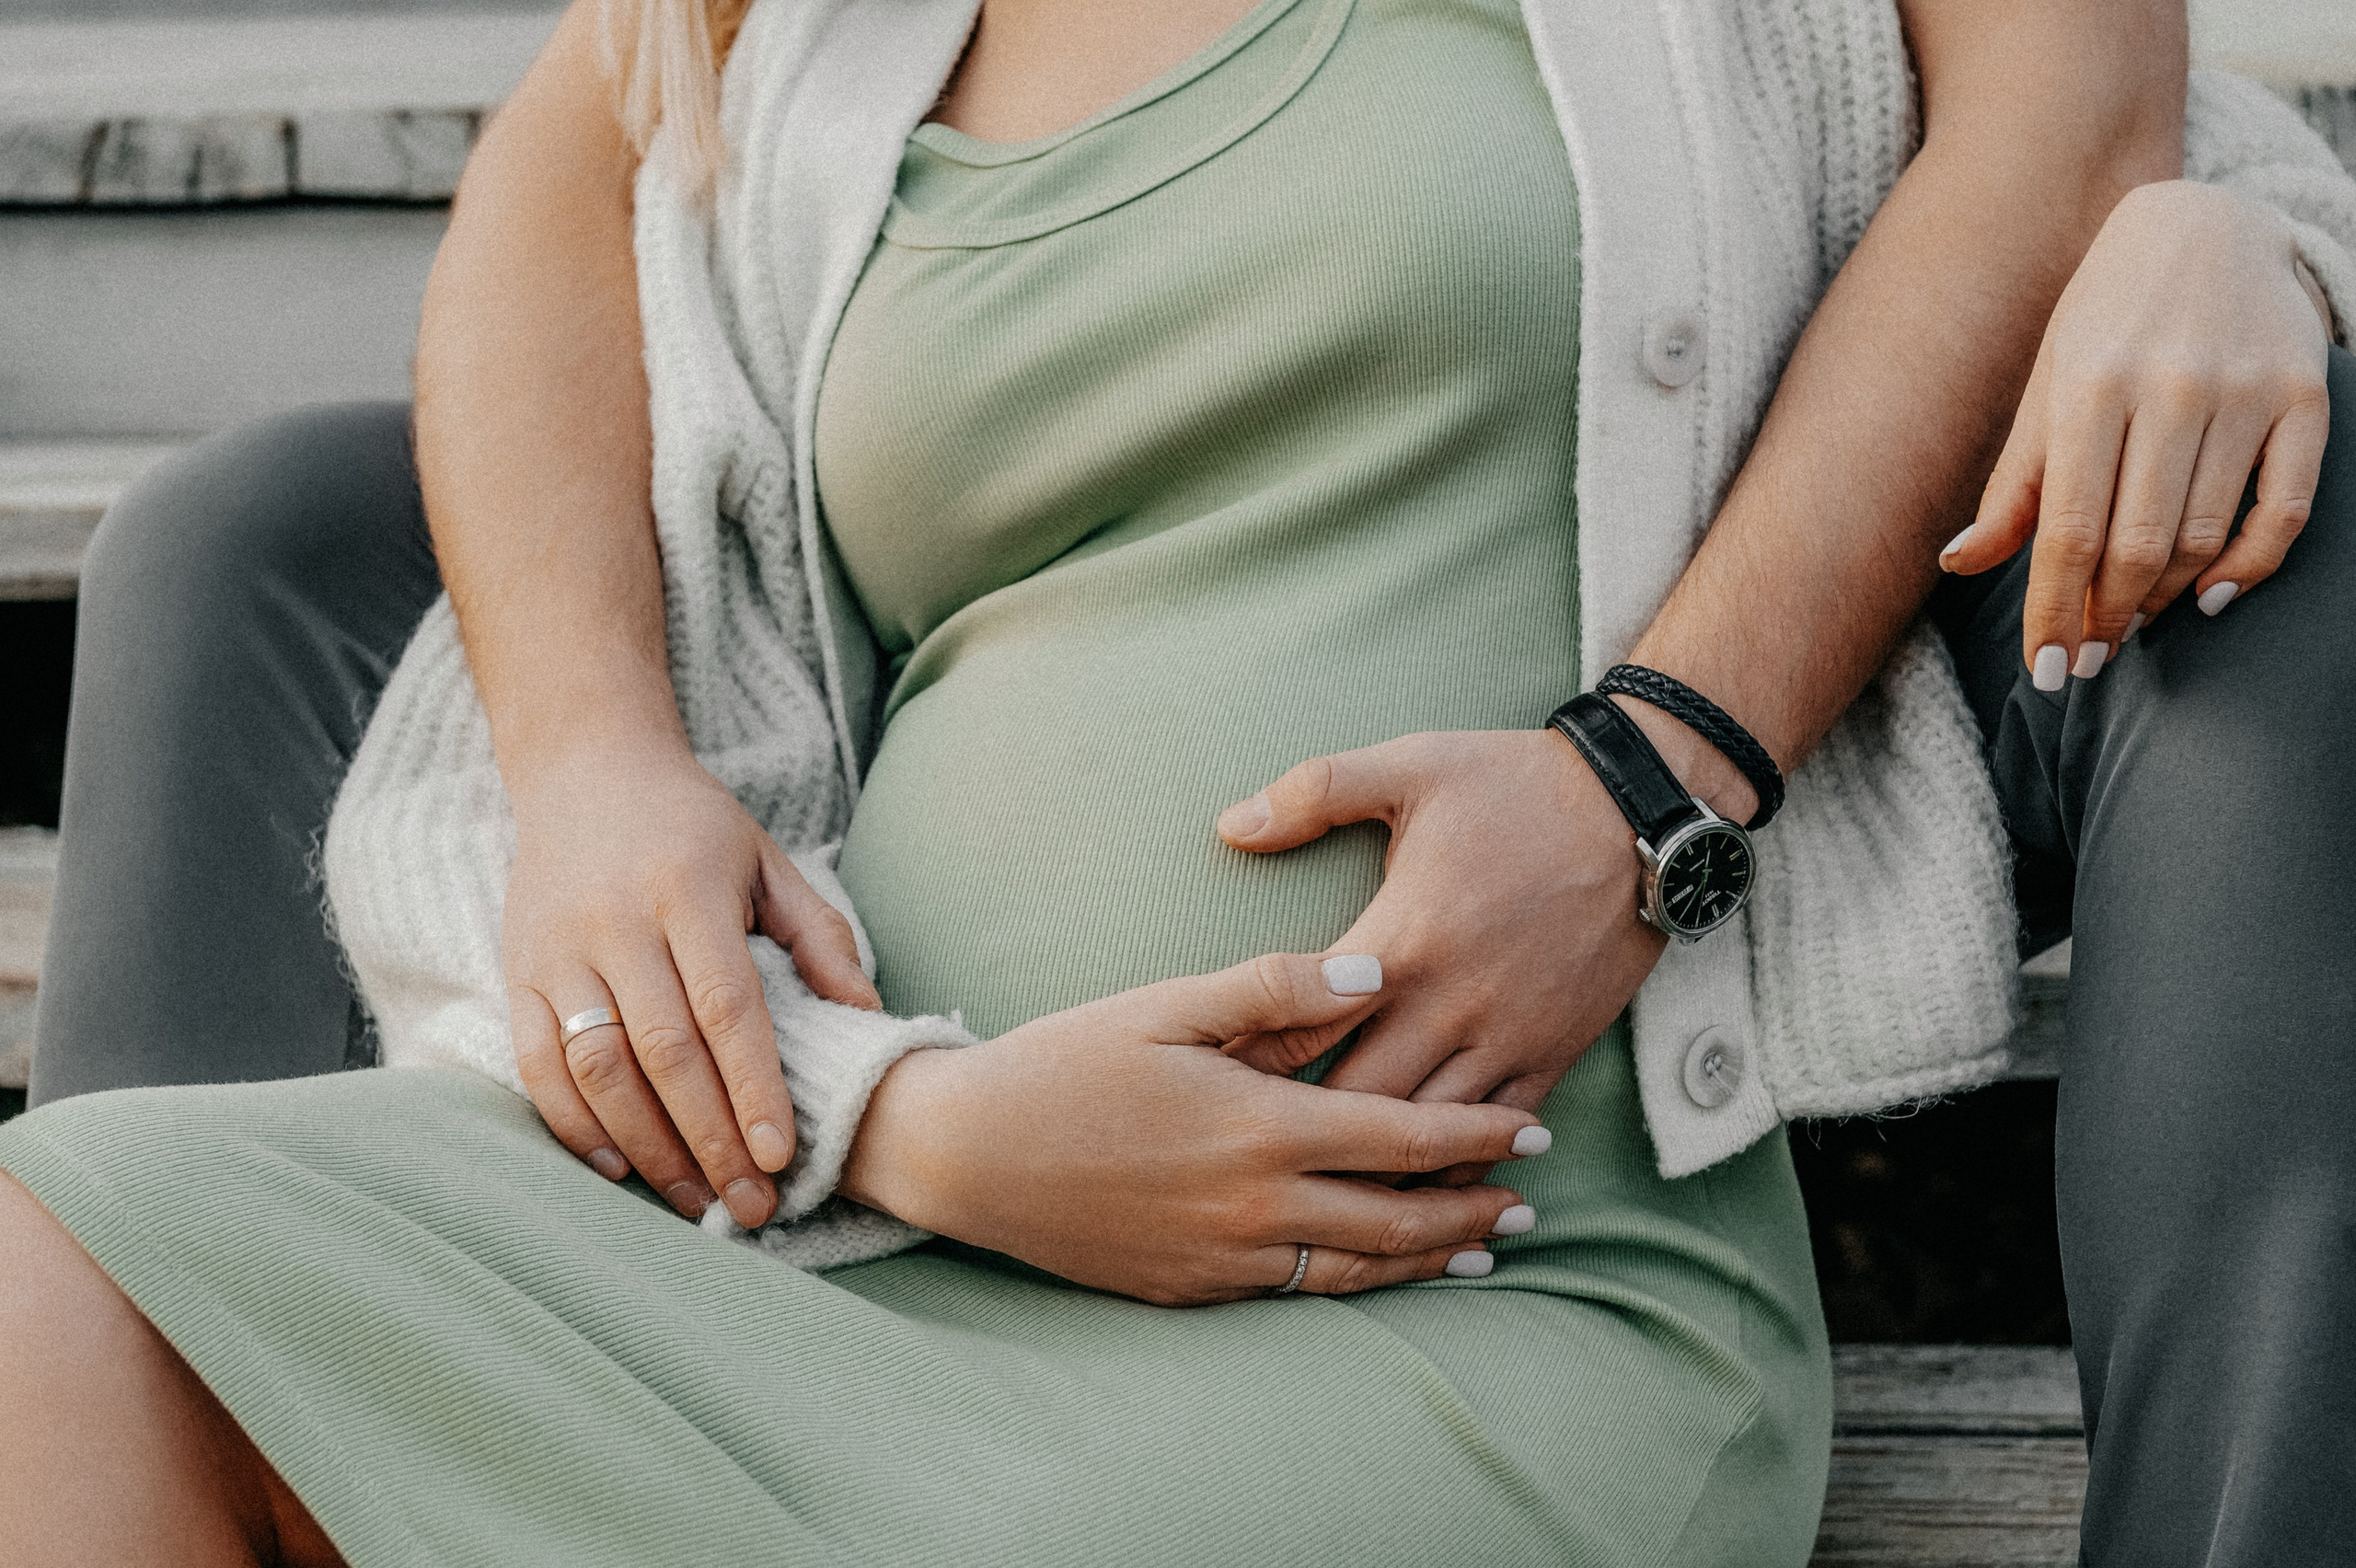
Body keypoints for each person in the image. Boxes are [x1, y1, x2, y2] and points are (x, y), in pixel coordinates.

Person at [5, 0, 2352, 1561]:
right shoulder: (812, 25)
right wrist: (618, 785)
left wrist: (1651, 780)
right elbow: (560, 191)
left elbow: (2073, 117)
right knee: (60, 1281)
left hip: (1449, 1299)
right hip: (840, 1220)